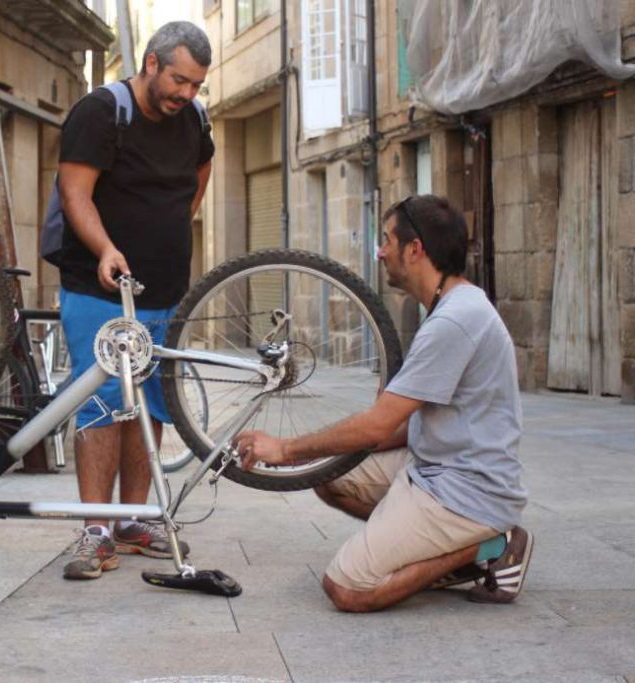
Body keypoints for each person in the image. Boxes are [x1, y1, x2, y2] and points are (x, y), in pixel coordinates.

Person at [235, 195, 531, 611]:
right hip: (433, 465)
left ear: (416, 249)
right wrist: (312, 455)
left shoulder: (454, 321)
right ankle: (426, 548)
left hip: (467, 489)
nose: (381, 251)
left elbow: (377, 426)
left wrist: (285, 450)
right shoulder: (451, 306)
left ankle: (488, 543)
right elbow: (394, 427)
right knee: (328, 473)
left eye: (388, 239)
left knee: (348, 589)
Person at [54, 21, 214, 580]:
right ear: (150, 64)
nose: (186, 95)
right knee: (101, 406)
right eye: (178, 81)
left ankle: (132, 518)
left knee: (151, 404)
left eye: (196, 85)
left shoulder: (193, 117)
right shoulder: (101, 112)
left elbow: (201, 168)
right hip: (98, 287)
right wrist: (105, 248)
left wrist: (174, 223)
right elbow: (75, 191)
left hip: (165, 289)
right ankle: (96, 530)